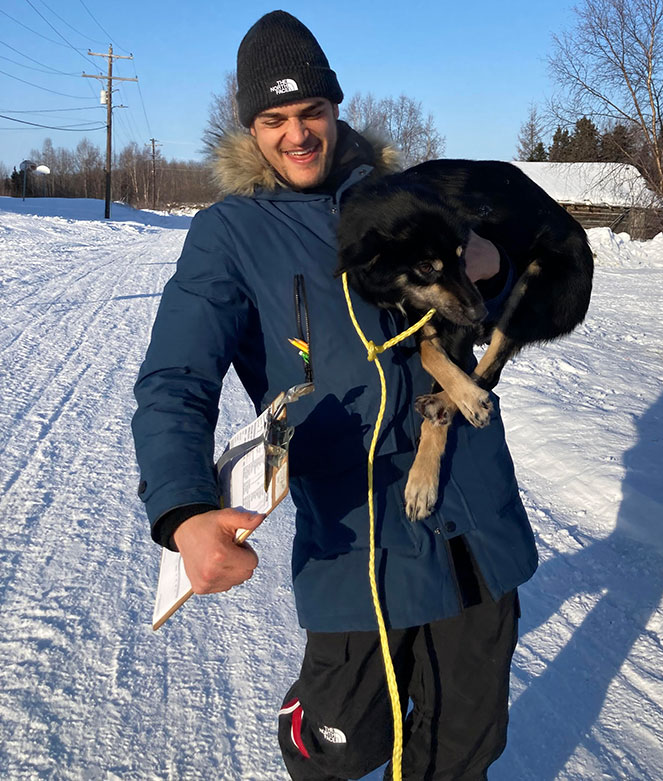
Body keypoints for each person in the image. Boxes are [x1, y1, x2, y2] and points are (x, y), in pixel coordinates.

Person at [132, 10, 538, 780]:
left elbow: (488, 304)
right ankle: (305, 719)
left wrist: (495, 266)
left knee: (464, 747)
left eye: (311, 111)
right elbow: (174, 378)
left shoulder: (405, 193)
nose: (297, 133)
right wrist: (183, 511)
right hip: (355, 535)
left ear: (335, 110)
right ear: (251, 128)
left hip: (473, 512)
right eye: (275, 118)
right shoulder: (231, 231)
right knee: (339, 743)